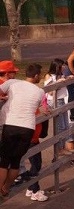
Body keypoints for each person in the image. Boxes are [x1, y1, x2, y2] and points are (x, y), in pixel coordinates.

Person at [0, 64, 45, 198]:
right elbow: (39, 107)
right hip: (27, 128)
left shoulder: (12, 83)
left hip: (11, 124)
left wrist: (4, 99)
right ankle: (6, 188)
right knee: (15, 162)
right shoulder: (40, 92)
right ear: (36, 76)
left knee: (4, 160)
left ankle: (0, 188)